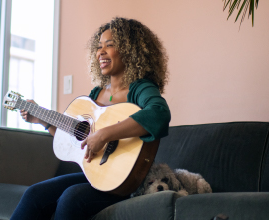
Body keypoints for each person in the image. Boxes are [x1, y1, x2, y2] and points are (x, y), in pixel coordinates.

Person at [10, 17, 171, 220]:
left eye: (109, 46)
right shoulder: (96, 95)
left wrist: (104, 134)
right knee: (34, 194)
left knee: (71, 198)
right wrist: (44, 120)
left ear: (130, 51)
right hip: (95, 176)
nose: (100, 52)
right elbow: (75, 140)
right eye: (98, 47)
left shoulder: (140, 88)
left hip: (127, 181)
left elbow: (159, 113)